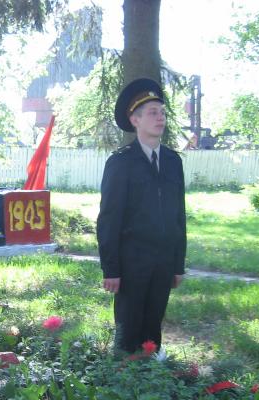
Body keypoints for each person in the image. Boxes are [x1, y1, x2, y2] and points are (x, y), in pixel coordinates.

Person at [96, 78, 186, 354]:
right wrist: (111, 269)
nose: (160, 118)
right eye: (152, 113)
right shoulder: (121, 163)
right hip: (131, 263)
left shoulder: (173, 161)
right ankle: (122, 382)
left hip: (163, 261)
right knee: (128, 328)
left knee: (153, 328)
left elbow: (178, 215)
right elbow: (109, 218)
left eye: (162, 112)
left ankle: (150, 383)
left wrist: (178, 263)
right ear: (135, 121)